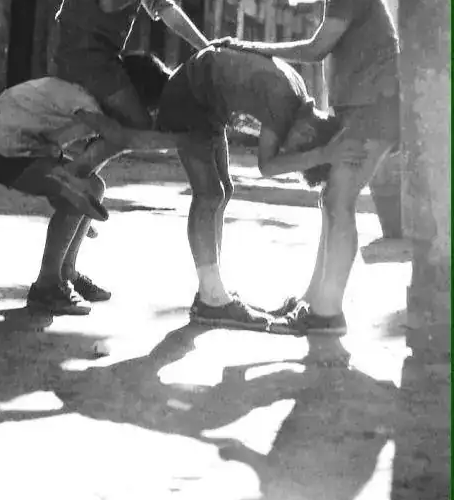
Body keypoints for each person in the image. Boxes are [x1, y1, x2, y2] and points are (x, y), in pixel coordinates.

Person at [213, 0, 400, 335]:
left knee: (338, 202)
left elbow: (315, 50)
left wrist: (246, 46)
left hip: (374, 113)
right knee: (331, 201)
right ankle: (313, 303)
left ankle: (327, 313)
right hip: (364, 113)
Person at [80, 45, 345, 330]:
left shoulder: (296, 91)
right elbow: (267, 165)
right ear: (308, 133)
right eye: (295, 151)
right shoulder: (284, 104)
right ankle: (212, 298)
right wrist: (323, 155)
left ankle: (214, 290)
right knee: (208, 194)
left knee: (223, 190)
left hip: (206, 99)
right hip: (190, 96)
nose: (286, 150)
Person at [0, 53, 178, 315]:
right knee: (78, 193)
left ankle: (66, 272)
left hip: (26, 147)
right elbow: (122, 138)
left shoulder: (97, 101)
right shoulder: (83, 100)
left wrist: (79, 212)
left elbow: (98, 155)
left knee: (93, 188)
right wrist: (181, 140)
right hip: (3, 150)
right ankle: (46, 286)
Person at [49, 0, 209, 188]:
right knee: (137, 125)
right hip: (82, 58)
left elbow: (165, 10)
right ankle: (74, 173)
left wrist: (206, 48)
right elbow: (109, 1)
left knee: (130, 123)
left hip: (105, 61)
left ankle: (77, 171)